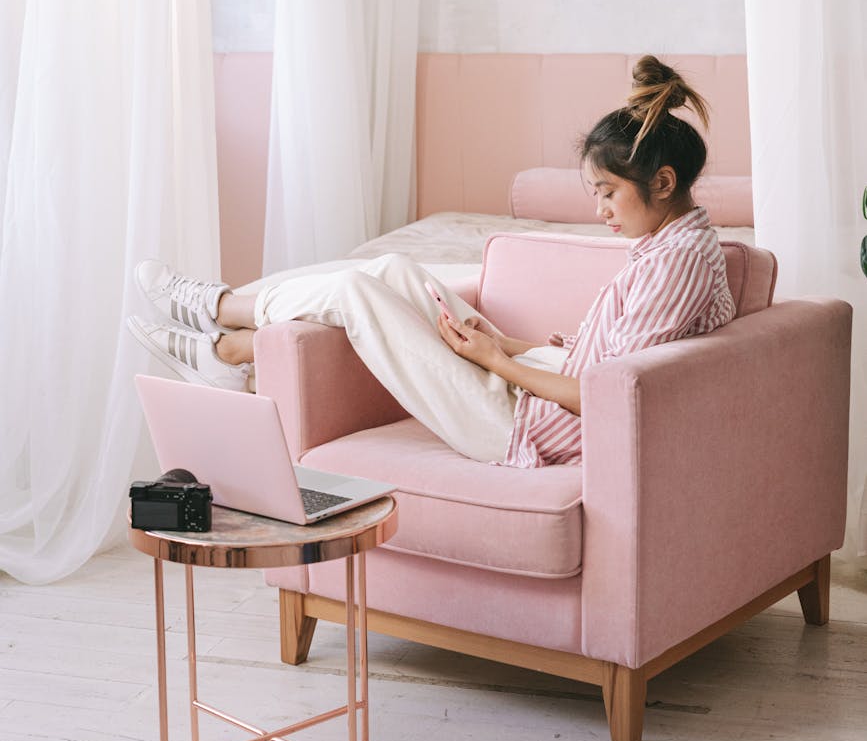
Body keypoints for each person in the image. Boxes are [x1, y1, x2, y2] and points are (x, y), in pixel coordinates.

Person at [128, 56, 736, 468]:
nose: (599, 209)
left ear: (661, 181)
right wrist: (505, 343)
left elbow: (609, 394)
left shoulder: (672, 264)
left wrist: (494, 359)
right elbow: (605, 356)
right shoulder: (676, 244)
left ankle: (220, 330)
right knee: (392, 270)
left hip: (524, 430)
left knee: (352, 291)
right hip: (538, 391)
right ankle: (223, 339)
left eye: (608, 193)